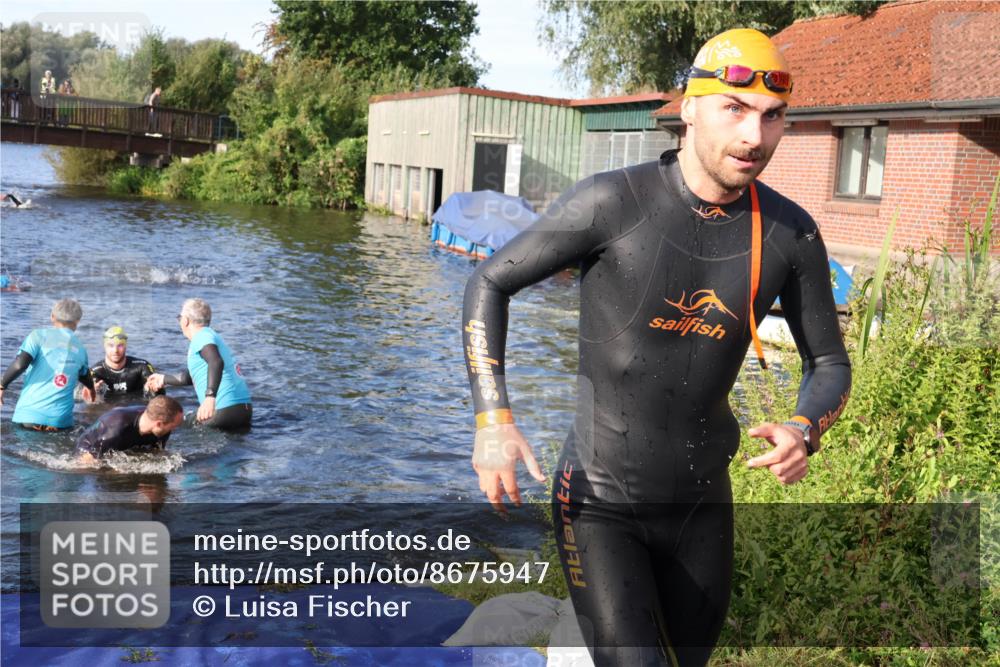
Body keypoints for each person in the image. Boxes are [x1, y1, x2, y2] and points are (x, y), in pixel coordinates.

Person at [461, 28, 851, 666]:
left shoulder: (790, 233)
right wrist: (493, 420)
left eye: (773, 117)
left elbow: (830, 363)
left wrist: (805, 428)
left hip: (701, 504)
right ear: (690, 107)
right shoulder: (611, 202)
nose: (755, 136)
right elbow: (490, 282)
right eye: (735, 109)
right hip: (598, 498)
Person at [145, 298, 252, 430]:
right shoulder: (211, 336)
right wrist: (163, 379)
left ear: (185, 321)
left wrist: (209, 398)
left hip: (223, 408)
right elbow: (193, 376)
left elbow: (216, 362)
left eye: (179, 317)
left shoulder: (201, 336)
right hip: (243, 410)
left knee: (174, 425)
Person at [0, 298, 96, 430]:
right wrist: (91, 389)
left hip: (29, 416)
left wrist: (2, 385)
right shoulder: (81, 349)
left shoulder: (38, 336)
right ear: (78, 321)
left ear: (52, 317)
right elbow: (85, 376)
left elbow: (20, 365)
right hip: (61, 422)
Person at [75, 395, 184, 464]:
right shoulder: (115, 431)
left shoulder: (162, 430)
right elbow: (89, 463)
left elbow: (155, 454)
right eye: (174, 426)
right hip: (91, 445)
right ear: (159, 424)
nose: (174, 429)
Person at [80, 326, 162, 401]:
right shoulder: (95, 372)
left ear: (126, 346)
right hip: (110, 409)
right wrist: (92, 393)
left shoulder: (142, 366)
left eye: (120, 345)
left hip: (136, 406)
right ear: (104, 346)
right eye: (111, 345)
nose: (115, 350)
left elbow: (159, 392)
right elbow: (87, 398)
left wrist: (154, 388)